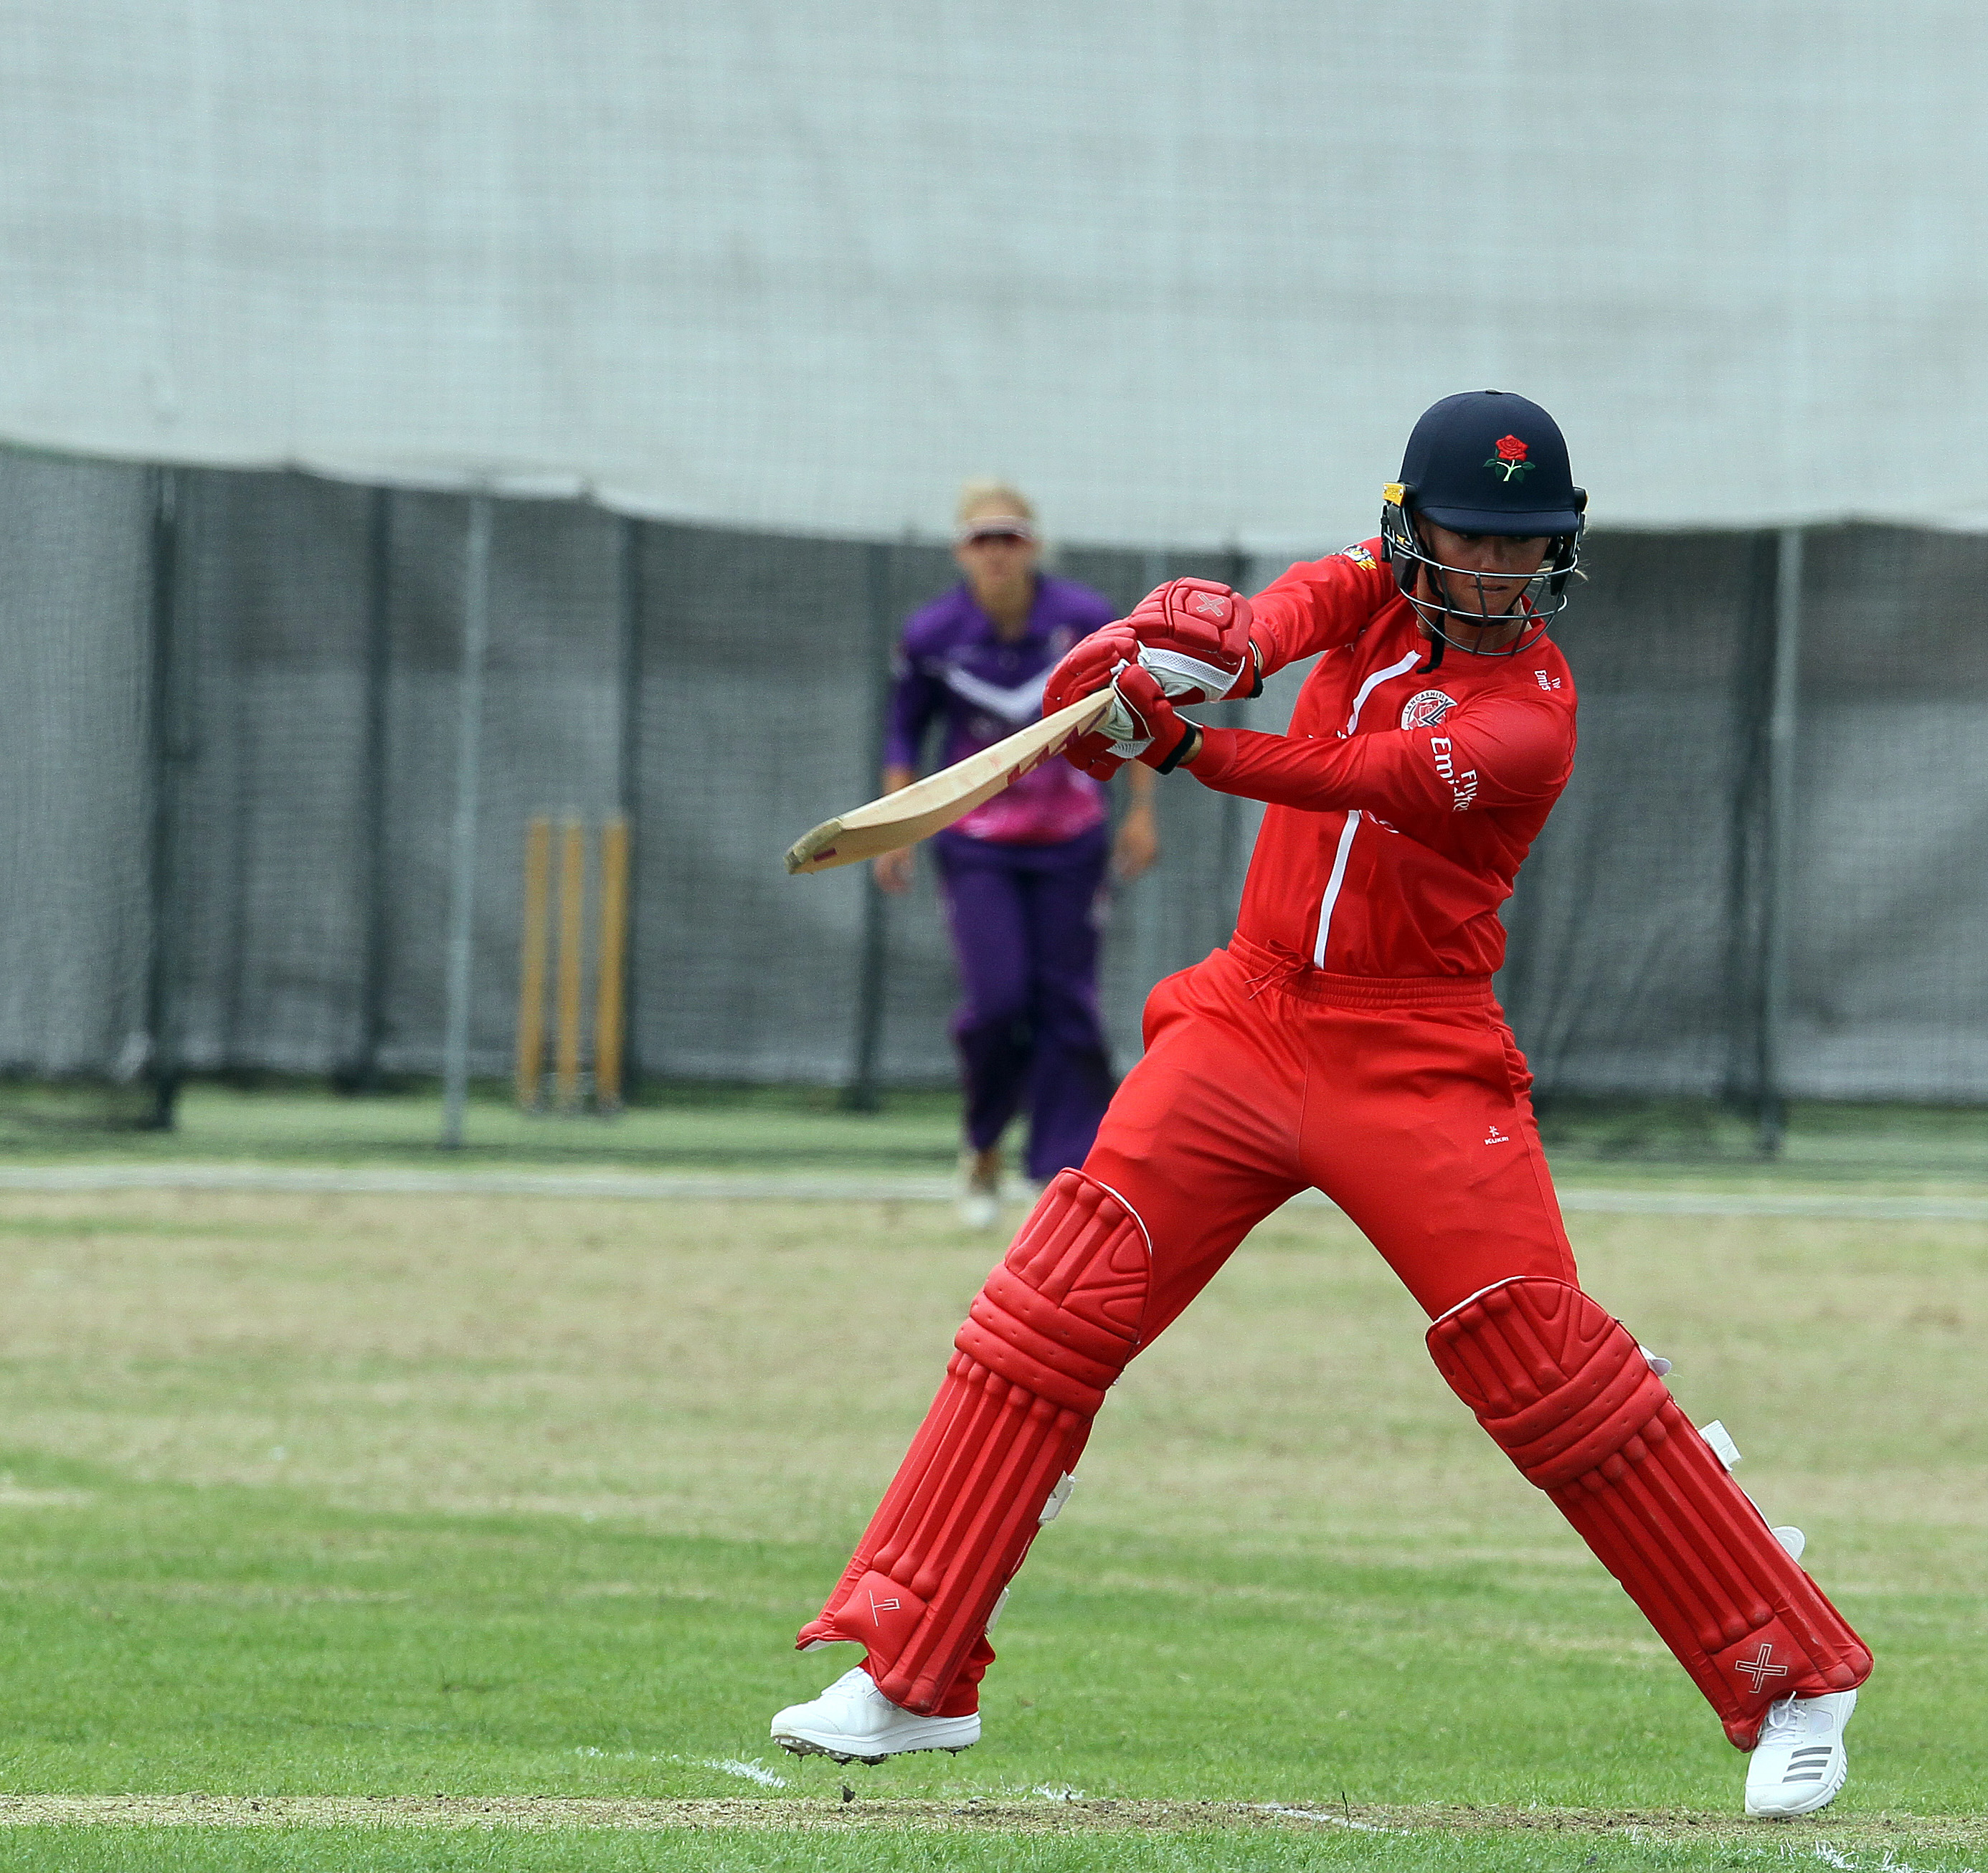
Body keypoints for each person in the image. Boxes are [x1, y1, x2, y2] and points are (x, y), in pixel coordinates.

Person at [770, 393, 1873, 1818]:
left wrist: (1181, 747)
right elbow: (1282, 616)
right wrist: (1192, 649)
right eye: (1470, 539)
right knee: (1049, 1310)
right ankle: (913, 1669)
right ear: (1409, 529)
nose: (1498, 571)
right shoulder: (1366, 585)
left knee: (1544, 1370)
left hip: (1417, 1048)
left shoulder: (1531, 717)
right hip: (1244, 1017)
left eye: (1526, 545)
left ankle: (1795, 1672)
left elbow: (1353, 776)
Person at [880, 481, 1160, 1227]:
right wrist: (894, 825)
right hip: (977, 846)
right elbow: (904, 731)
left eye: (1010, 537)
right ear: (960, 550)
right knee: (999, 1001)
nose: (997, 552)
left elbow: (1133, 713)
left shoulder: (1084, 619)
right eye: (982, 539)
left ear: (1034, 544)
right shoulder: (934, 634)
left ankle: (1063, 1173)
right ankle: (983, 1146)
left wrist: (1140, 812)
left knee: (1067, 1003)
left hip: (1071, 841)